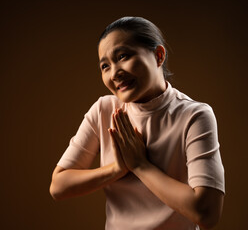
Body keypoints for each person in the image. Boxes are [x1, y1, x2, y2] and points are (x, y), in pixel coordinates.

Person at [49, 16, 225, 230]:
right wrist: (116, 169)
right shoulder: (104, 110)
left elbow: (207, 213)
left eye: (123, 56)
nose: (114, 73)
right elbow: (58, 187)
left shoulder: (194, 116)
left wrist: (140, 165)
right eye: (105, 66)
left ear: (158, 56)